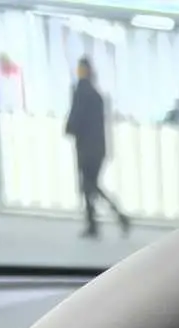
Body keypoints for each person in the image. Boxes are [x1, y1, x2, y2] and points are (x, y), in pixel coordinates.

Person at [65, 58, 130, 239]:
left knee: (89, 185)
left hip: (86, 147)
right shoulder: (96, 94)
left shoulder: (81, 91)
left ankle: (112, 218)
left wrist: (69, 128)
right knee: (91, 185)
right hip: (98, 148)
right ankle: (98, 222)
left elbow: (76, 116)